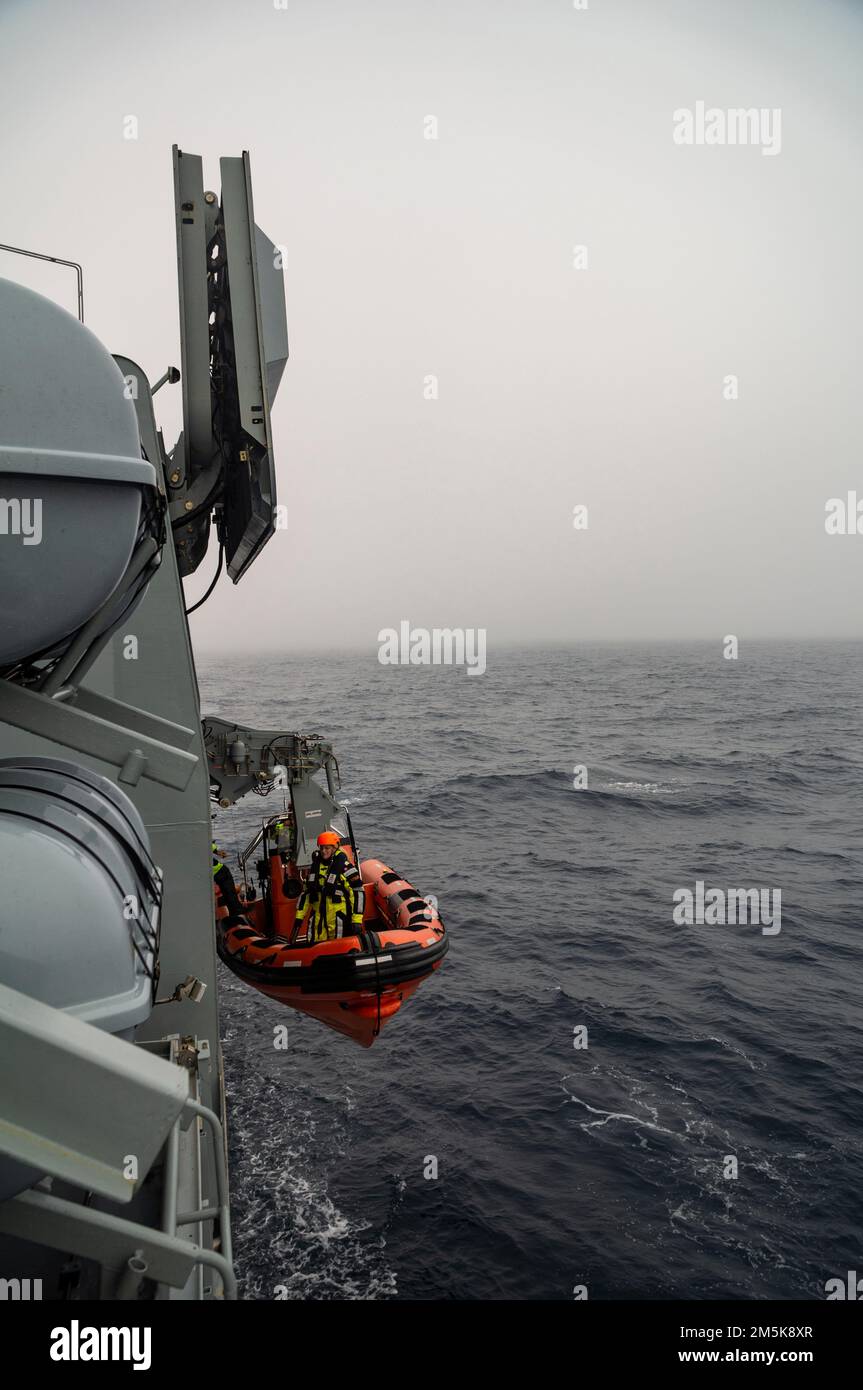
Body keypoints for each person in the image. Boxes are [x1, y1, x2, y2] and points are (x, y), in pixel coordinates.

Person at [295, 830, 365, 943]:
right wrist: (299, 917)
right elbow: (306, 894)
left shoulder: (345, 867)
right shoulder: (315, 868)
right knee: (313, 947)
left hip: (339, 918)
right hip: (318, 918)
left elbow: (358, 892)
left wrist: (357, 919)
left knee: (340, 947)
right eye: (321, 848)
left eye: (327, 848)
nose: (323, 851)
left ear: (335, 847)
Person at [212, 839, 243, 921]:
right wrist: (213, 846)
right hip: (218, 872)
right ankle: (237, 917)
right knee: (230, 894)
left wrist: (216, 852)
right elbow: (208, 847)